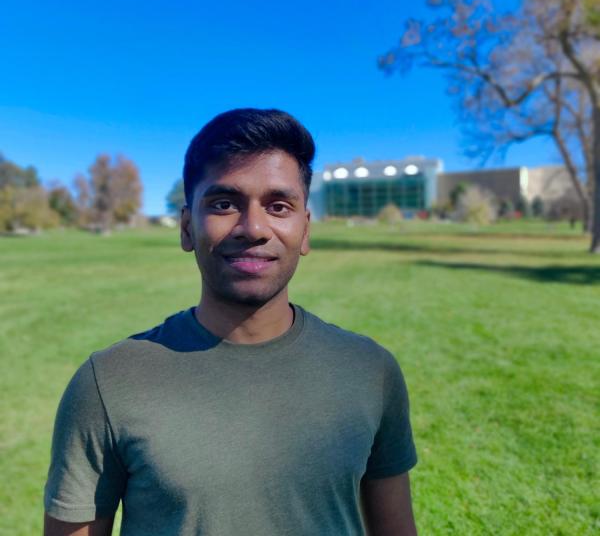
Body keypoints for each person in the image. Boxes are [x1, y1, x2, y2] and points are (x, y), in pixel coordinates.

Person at [44, 108, 418, 536]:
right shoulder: (108, 383)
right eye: (224, 204)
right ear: (187, 228)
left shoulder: (370, 371)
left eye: (279, 206)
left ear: (306, 229)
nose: (254, 227)